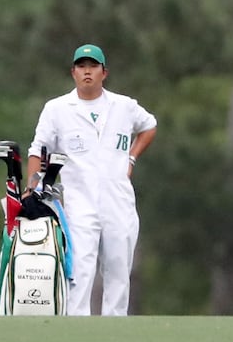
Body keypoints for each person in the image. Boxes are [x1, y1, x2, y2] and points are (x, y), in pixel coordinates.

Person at [27, 43, 157, 317]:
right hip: (79, 202)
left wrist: (131, 158)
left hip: (118, 200)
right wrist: (33, 185)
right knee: (80, 270)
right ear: (73, 72)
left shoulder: (124, 106)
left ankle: (115, 330)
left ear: (104, 73)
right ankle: (77, 330)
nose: (87, 72)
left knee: (118, 269)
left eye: (93, 67)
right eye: (82, 67)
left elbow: (149, 126)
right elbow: (39, 149)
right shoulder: (57, 108)